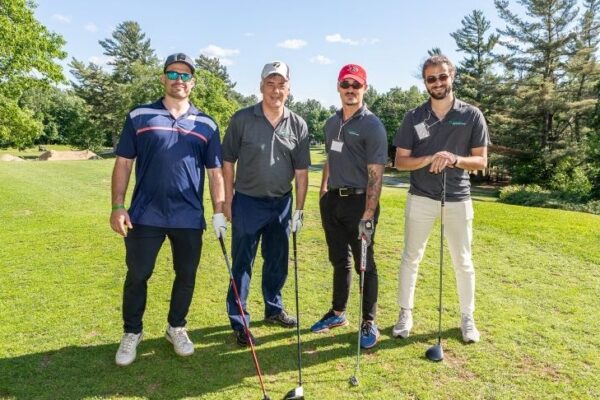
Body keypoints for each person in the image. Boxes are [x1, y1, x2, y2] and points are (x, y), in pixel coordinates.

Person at [110, 53, 227, 366]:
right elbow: (123, 163)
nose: (179, 80)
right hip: (145, 213)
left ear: (193, 82)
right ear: (163, 78)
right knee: (138, 274)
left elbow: (216, 172)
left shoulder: (207, 123)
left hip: (188, 216)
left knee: (186, 275)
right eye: (173, 74)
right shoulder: (140, 115)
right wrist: (118, 206)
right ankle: (132, 332)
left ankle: (176, 326)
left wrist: (219, 210)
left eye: (185, 75)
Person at [392, 54, 489, 343]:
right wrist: (431, 159)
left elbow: (481, 161)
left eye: (442, 76)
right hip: (420, 198)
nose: (437, 83)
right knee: (411, 258)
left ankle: (467, 317)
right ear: (425, 82)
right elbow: (400, 161)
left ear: (452, 75)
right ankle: (405, 313)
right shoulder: (413, 117)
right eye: (431, 78)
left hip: (458, 198)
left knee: (463, 260)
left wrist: (453, 158)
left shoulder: (471, 115)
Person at [222, 61, 310, 347]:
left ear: (289, 89)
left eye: (281, 84)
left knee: (277, 261)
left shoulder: (298, 124)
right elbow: (227, 161)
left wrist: (299, 208)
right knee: (242, 263)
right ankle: (240, 321)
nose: (276, 90)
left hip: (281, 204)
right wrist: (227, 200)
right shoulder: (242, 119)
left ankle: (273, 308)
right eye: (270, 84)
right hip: (247, 202)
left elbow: (301, 172)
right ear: (261, 86)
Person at [310, 64, 387, 349]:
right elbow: (331, 157)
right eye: (346, 84)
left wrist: (368, 212)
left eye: (356, 85)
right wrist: (323, 191)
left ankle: (368, 321)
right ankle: (337, 313)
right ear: (338, 87)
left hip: (359, 203)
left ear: (365, 88)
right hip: (333, 201)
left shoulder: (372, 125)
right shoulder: (331, 122)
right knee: (338, 260)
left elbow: (376, 172)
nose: (351, 90)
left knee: (365, 264)